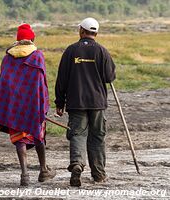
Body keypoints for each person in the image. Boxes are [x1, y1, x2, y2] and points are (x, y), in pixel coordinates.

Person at [0, 23, 56, 186]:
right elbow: (42, 83)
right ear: (32, 38)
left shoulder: (7, 58)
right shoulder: (37, 56)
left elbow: (4, 83)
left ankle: (24, 174)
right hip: (33, 105)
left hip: (14, 105)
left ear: (18, 40)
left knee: (20, 139)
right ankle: (43, 170)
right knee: (38, 136)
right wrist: (43, 103)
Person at [54, 17, 116, 187]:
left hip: (76, 102)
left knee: (78, 134)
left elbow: (62, 79)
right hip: (97, 102)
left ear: (81, 30)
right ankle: (99, 175)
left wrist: (60, 103)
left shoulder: (71, 51)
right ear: (96, 32)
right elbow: (109, 77)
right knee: (97, 137)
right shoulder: (102, 51)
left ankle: (76, 164)